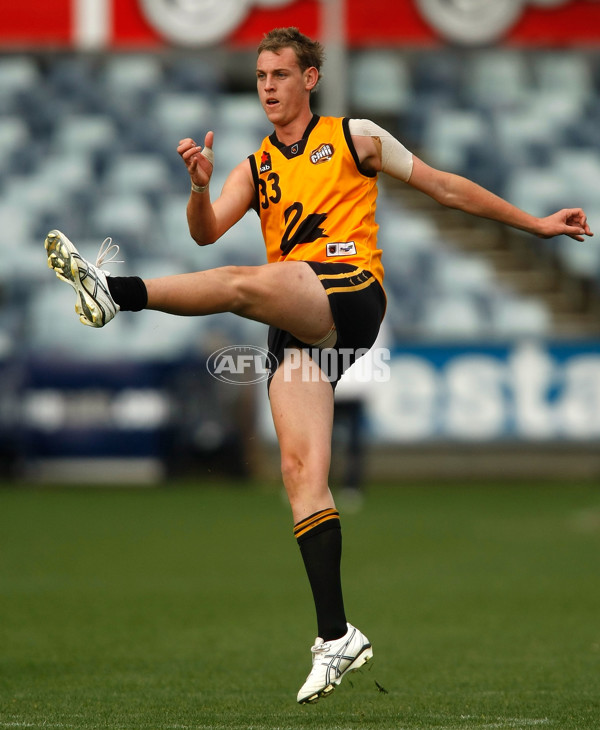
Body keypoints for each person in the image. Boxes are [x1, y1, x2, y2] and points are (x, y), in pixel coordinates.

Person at [44, 27, 593, 704]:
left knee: (249, 283)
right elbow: (205, 229)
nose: (267, 85)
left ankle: (115, 292)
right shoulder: (254, 166)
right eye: (259, 76)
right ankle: (336, 637)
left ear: (310, 79)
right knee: (302, 475)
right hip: (299, 324)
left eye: (279, 73)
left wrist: (537, 225)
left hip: (350, 293)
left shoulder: (355, 135)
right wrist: (198, 187)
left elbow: (444, 187)